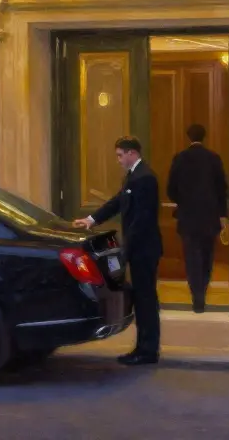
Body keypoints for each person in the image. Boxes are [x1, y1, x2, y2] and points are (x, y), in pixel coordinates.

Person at [73, 136, 162, 366]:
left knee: (145, 299)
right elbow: (117, 202)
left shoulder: (145, 178)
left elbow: (142, 219)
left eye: (120, 155)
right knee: (142, 298)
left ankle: (148, 350)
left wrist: (126, 249)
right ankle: (144, 347)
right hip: (140, 248)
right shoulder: (135, 176)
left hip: (144, 249)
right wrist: (91, 219)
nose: (118, 160)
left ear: (132, 153)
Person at [165, 123, 229, 314]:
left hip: (188, 217)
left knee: (192, 257)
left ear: (188, 137)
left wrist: (182, 202)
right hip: (209, 217)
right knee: (207, 256)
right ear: (204, 137)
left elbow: (171, 189)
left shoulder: (180, 159)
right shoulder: (213, 159)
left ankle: (197, 296)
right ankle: (204, 288)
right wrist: (222, 214)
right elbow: (222, 190)